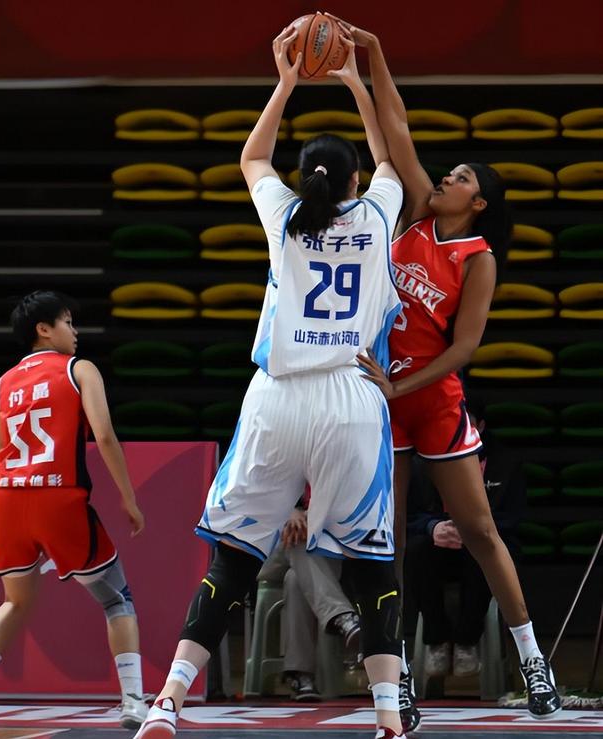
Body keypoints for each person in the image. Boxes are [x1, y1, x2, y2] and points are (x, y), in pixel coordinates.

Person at [135, 23, 407, 739]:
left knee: (232, 560)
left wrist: (287, 80)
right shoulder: (378, 212)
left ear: (306, 177)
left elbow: (252, 156)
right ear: (355, 181)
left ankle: (166, 702)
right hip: (350, 397)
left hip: (277, 396)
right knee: (371, 564)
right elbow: (390, 153)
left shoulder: (285, 215)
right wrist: (352, 78)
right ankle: (388, 716)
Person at [328, 15, 561, 724]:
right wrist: (367, 60)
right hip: (381, 395)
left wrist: (402, 384)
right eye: (448, 172)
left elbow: (464, 350)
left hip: (431, 397)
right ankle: (395, 676)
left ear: (478, 202)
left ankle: (534, 661)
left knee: (482, 532)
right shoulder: (411, 219)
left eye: (460, 178)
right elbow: (394, 128)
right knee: (389, 542)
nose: (447, 178)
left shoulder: (477, 257)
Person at [0, 291, 147, 732]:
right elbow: (105, 436)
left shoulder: (4, 383)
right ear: (43, 329)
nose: (74, 332)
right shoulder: (79, 369)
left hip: (4, 497)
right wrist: (128, 498)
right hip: (57, 496)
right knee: (116, 598)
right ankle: (134, 700)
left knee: (14, 602)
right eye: (67, 322)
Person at [405, 407, 525, 678]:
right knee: (416, 550)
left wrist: (475, 529)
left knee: (484, 552)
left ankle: (467, 642)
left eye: (463, 424)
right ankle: (436, 640)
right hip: (441, 543)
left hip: (485, 541)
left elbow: (513, 517)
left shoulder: (506, 463)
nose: (455, 431)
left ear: (480, 427)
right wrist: (432, 527)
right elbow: (407, 516)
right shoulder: (421, 462)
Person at [257, 502, 362, 701]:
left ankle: (301, 675)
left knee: (295, 579)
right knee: (298, 538)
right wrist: (289, 511)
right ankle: (341, 616)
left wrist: (316, 518)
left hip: (325, 550)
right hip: (274, 546)